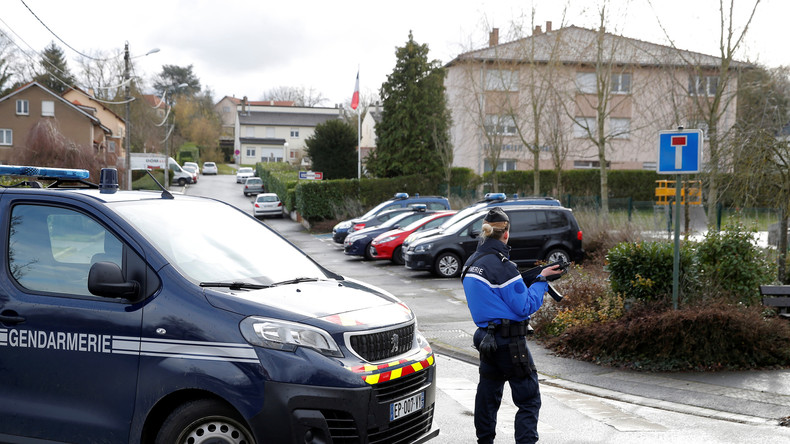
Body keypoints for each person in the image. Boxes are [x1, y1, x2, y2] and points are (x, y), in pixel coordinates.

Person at [462, 207, 563, 444]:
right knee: (528, 400)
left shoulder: (472, 261)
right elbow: (524, 306)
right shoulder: (503, 266)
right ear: (505, 233)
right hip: (509, 343)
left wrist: (532, 275)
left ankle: (484, 440)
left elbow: (497, 293)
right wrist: (541, 282)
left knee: (488, 395)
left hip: (486, 339)